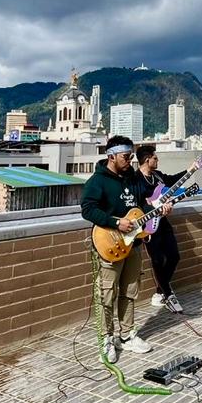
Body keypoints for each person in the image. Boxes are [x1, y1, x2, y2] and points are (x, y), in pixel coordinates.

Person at [80, 136, 170, 363]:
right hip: (109, 243)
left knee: (129, 291)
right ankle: (106, 338)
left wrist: (158, 209)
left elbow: (142, 205)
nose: (129, 161)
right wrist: (114, 222)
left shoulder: (132, 178)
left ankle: (128, 335)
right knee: (107, 293)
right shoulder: (97, 181)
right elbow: (88, 209)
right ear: (111, 156)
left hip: (134, 244)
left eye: (131, 156)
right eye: (125, 157)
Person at [134, 144, 197, 314]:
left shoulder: (158, 176)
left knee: (174, 256)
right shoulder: (135, 179)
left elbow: (172, 180)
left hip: (163, 221)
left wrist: (190, 170)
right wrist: (151, 209)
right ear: (147, 160)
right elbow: (136, 204)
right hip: (148, 225)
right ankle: (168, 295)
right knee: (157, 260)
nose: (157, 160)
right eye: (155, 158)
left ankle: (160, 291)